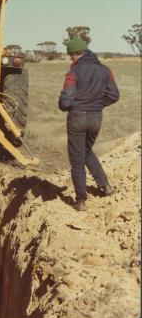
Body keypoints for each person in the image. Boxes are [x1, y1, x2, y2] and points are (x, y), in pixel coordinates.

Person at [58, 37, 119, 211]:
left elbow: (65, 101)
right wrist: (98, 104)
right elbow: (114, 95)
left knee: (77, 159)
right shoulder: (105, 70)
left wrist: (68, 105)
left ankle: (81, 200)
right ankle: (106, 186)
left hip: (78, 117)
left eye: (71, 56)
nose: (71, 59)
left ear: (78, 54)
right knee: (86, 151)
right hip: (96, 117)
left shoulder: (74, 71)